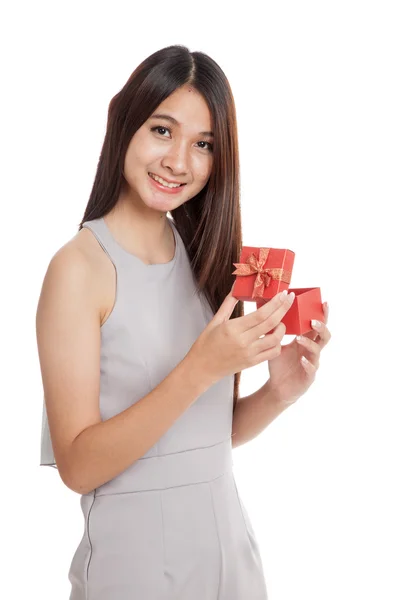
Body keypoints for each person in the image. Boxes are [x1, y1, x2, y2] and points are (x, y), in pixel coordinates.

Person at [36, 44, 331, 600]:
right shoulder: (78, 270)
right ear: (123, 122)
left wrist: (278, 394)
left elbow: (200, 440)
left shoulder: (204, 258)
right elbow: (78, 465)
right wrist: (200, 367)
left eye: (204, 145)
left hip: (230, 559)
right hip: (135, 570)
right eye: (162, 131)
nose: (179, 162)